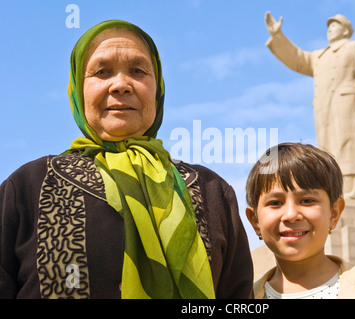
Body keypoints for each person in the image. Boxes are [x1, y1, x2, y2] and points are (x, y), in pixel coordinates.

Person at [0, 20, 253, 299]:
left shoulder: (210, 191)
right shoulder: (27, 186)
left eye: (137, 70)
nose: (120, 84)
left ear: (158, 88)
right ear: (77, 89)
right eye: (102, 71)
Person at [245, 142, 355, 299]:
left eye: (307, 200)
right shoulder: (245, 297)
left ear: (333, 213)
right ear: (255, 221)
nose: (291, 215)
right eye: (275, 203)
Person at [265, 12, 355, 200]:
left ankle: (353, 192)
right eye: (328, 27)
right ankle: (335, 192)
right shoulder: (319, 56)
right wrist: (278, 36)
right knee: (329, 150)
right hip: (325, 109)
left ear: (345, 30)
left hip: (349, 105)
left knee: (350, 146)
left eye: (334, 26)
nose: (330, 30)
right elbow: (297, 58)